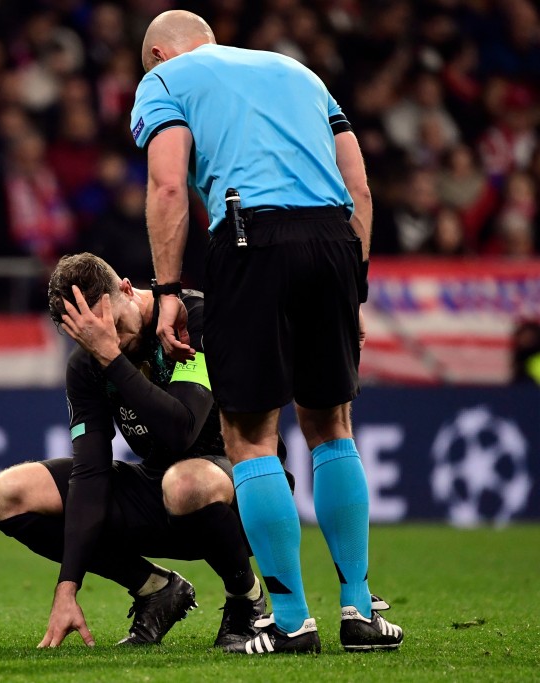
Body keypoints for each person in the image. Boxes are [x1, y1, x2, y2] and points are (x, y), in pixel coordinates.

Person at [132, 11, 403, 654]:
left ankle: (289, 620)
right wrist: (354, 289)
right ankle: (360, 611)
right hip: (334, 241)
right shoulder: (299, 72)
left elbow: (168, 186)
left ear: (160, 53)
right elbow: (360, 189)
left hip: (250, 239)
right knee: (331, 424)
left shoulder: (165, 79)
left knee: (249, 435)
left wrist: (167, 292)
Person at [0, 252, 282, 649]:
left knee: (185, 482)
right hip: (160, 487)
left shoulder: (192, 318)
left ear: (126, 289)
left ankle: (246, 598)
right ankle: (155, 588)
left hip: (242, 485)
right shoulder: (88, 362)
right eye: (89, 336)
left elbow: (182, 430)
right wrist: (67, 587)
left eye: (113, 326)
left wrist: (110, 358)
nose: (107, 340)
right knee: (8, 494)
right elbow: (90, 473)